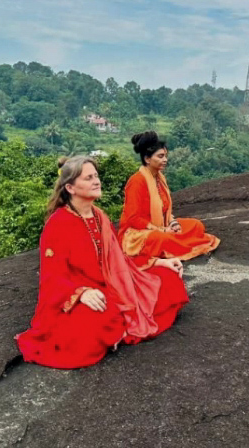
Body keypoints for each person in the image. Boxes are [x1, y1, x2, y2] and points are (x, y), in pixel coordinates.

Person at [15, 156, 189, 369]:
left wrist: (158, 263)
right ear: (70, 187)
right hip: (85, 293)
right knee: (96, 320)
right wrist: (81, 293)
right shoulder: (58, 224)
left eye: (96, 176)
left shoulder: (99, 216)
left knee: (169, 280)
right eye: (88, 178)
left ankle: (118, 328)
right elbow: (53, 277)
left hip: (115, 287)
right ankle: (115, 325)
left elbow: (119, 259)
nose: (97, 181)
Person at [119, 131, 220, 266]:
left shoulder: (160, 178)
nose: (165, 160)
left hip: (162, 226)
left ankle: (174, 239)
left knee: (196, 225)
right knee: (161, 239)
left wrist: (173, 224)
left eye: (165, 156)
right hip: (138, 233)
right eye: (160, 156)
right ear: (147, 159)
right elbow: (133, 219)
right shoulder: (137, 181)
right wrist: (162, 230)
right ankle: (174, 242)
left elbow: (164, 210)